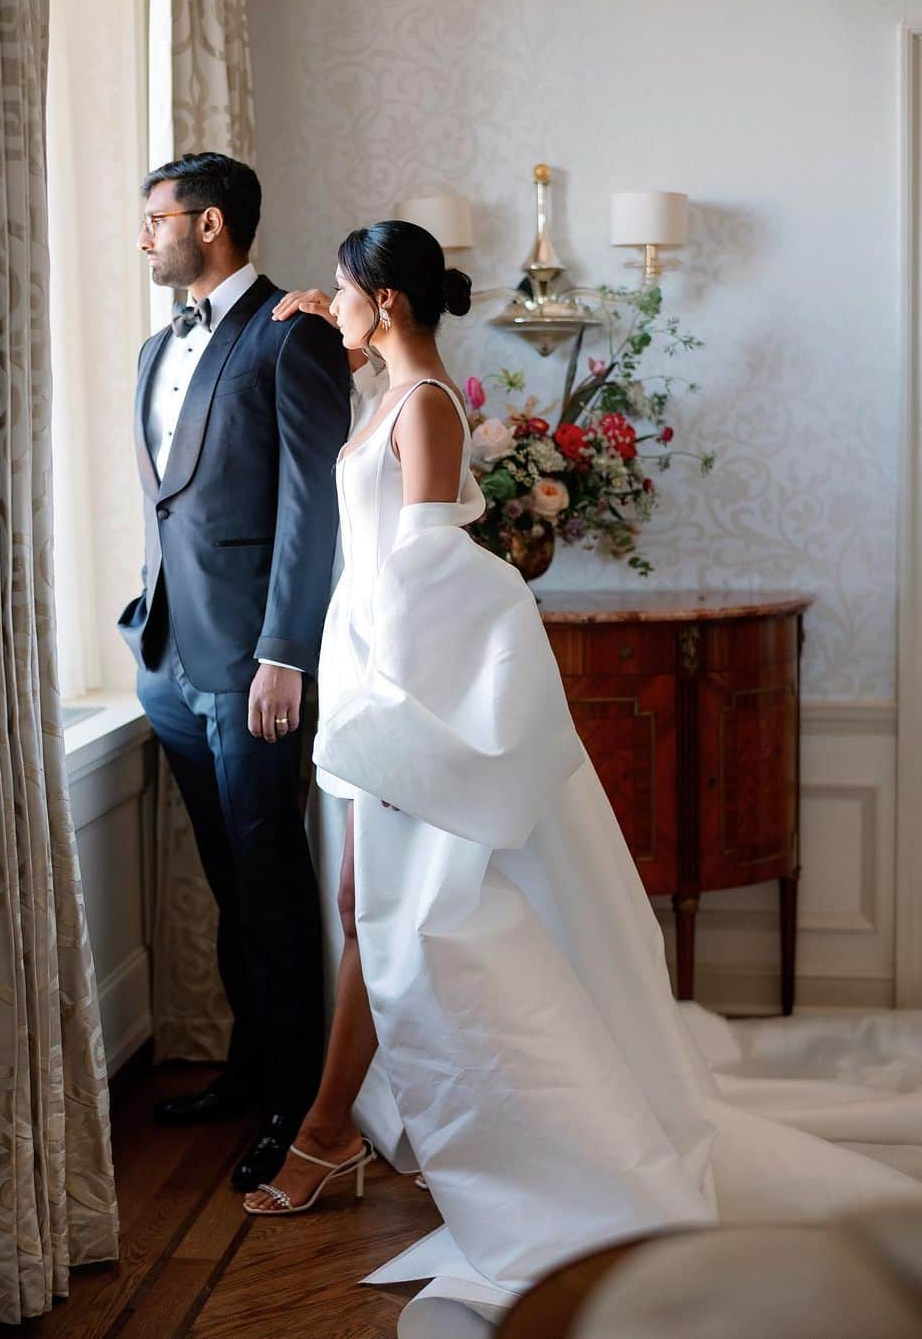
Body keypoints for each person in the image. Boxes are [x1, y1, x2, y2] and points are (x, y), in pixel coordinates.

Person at [244, 223, 922, 1324]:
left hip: (408, 691)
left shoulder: (425, 408)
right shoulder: (392, 391)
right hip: (376, 679)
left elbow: (419, 574)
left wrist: (395, 719)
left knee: (385, 914)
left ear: (389, 299)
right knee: (365, 907)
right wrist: (325, 324)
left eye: (343, 289)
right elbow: (380, 540)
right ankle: (347, 1129)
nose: (332, 301)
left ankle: (337, 1131)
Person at [118, 152, 350, 1193]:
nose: (145, 236)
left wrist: (284, 653)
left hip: (254, 671)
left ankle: (302, 1109)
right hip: (169, 662)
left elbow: (314, 506)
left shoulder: (290, 334)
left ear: (208, 224)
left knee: (271, 886)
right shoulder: (154, 348)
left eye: (155, 218)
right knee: (226, 885)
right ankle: (251, 1070)